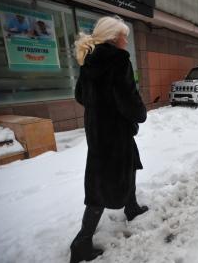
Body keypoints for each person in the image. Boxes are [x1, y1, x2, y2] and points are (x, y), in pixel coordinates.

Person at [70, 16, 148, 263]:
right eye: (125, 36)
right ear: (115, 39)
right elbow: (129, 99)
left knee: (125, 165)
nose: (127, 40)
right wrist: (138, 113)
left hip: (97, 132)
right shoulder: (118, 60)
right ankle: (81, 243)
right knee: (101, 186)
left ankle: (132, 206)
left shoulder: (89, 59)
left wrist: (101, 107)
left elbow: (80, 95)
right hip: (115, 133)